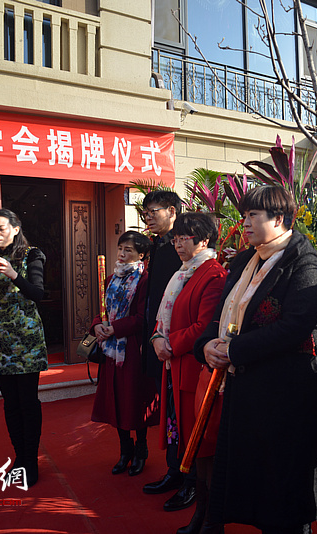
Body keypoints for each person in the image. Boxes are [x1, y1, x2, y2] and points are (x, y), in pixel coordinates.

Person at [195, 185, 317, 534]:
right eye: (244, 216)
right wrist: (207, 345)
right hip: (247, 393)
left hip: (286, 396)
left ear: (281, 219)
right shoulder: (246, 259)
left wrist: (234, 350)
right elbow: (219, 314)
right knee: (257, 486)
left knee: (284, 492)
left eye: (253, 216)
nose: (244, 223)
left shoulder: (303, 261)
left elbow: (295, 326)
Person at [151, 212, 226, 534]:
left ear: (204, 240)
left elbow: (203, 327)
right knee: (185, 437)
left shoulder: (213, 274)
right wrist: (157, 338)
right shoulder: (183, 273)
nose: (177, 243)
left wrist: (170, 343)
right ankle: (192, 494)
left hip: (195, 370)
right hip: (175, 364)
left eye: (184, 238)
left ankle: (204, 508)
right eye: (176, 238)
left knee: (202, 442)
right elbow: (164, 315)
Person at [0, 208, 47, 488]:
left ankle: (31, 461)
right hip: (1, 337)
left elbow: (38, 293)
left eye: (1, 228)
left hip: (26, 337)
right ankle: (19, 459)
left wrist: (14, 274)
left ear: (15, 229)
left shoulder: (32, 255)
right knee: (10, 404)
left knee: (28, 402)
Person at [140, 190, 197, 512]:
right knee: (171, 414)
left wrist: (171, 340)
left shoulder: (185, 251)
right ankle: (175, 470)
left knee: (184, 415)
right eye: (145, 212)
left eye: (153, 211)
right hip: (160, 341)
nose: (148, 217)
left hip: (181, 347)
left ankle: (190, 480)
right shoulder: (158, 247)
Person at [90, 231, 159, 477]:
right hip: (110, 352)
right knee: (115, 401)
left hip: (132, 349)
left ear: (141, 255)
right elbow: (102, 309)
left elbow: (143, 318)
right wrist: (97, 324)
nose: (122, 253)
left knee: (134, 399)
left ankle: (141, 449)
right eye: (120, 248)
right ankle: (124, 450)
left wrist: (115, 328)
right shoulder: (109, 279)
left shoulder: (145, 281)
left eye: (128, 250)